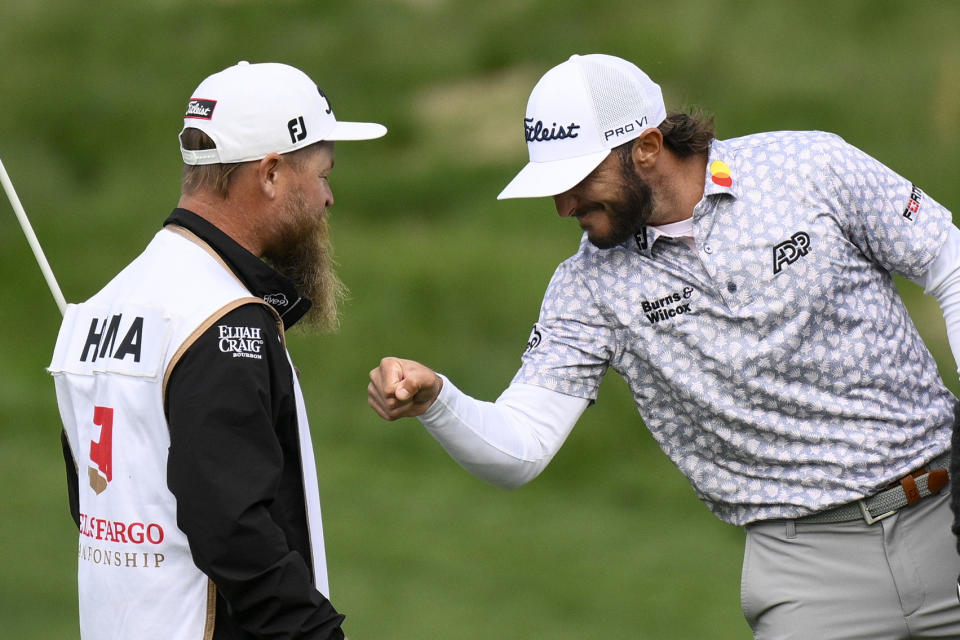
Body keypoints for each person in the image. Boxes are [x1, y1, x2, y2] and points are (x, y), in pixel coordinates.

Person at [368, 53, 960, 638]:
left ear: (647, 147)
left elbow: (948, 262)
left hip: (946, 511)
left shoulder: (810, 165)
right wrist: (438, 401)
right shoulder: (586, 288)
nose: (563, 206)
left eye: (578, 181)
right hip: (806, 574)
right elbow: (522, 447)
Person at [49, 61, 385, 639]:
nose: (328, 198)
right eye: (324, 174)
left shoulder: (97, 309)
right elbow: (233, 530)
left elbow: (96, 506)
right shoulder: (225, 318)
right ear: (273, 172)